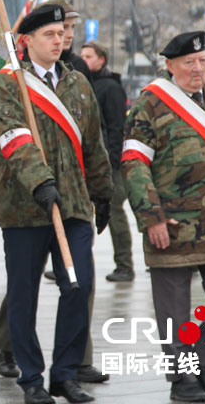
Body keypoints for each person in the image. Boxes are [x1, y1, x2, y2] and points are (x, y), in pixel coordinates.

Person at [121, 31, 205, 402]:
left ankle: (204, 365)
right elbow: (133, 163)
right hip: (171, 226)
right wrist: (151, 216)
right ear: (170, 66)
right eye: (189, 63)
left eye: (202, 61)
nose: (198, 69)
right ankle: (182, 379)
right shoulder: (149, 105)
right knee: (174, 314)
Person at [0, 3, 113, 404]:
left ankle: (65, 373)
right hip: (25, 207)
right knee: (23, 295)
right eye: (49, 35)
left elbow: (93, 142)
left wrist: (104, 191)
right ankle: (31, 378)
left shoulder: (77, 83)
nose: (59, 41)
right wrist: (40, 182)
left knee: (79, 286)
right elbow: (13, 138)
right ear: (27, 41)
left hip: (73, 205)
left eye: (62, 35)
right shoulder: (8, 84)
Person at [81, 41, 134, 283]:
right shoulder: (84, 83)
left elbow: (116, 128)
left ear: (101, 60)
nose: (84, 60)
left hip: (111, 165)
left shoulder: (110, 88)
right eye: (82, 56)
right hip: (88, 162)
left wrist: (113, 163)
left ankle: (125, 264)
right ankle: (74, 260)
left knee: (113, 210)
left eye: (88, 56)